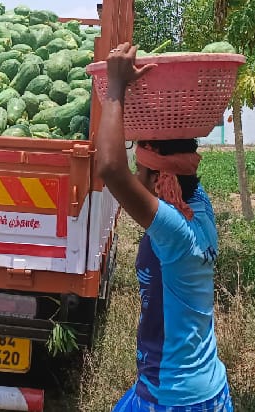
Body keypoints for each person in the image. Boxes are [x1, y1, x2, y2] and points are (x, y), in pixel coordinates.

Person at [95, 43, 233, 411]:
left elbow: (109, 168)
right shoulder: (198, 208)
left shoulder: (174, 232)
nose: (134, 177)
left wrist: (116, 86)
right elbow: (177, 157)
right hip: (199, 387)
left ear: (159, 181)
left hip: (175, 397)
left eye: (139, 170)